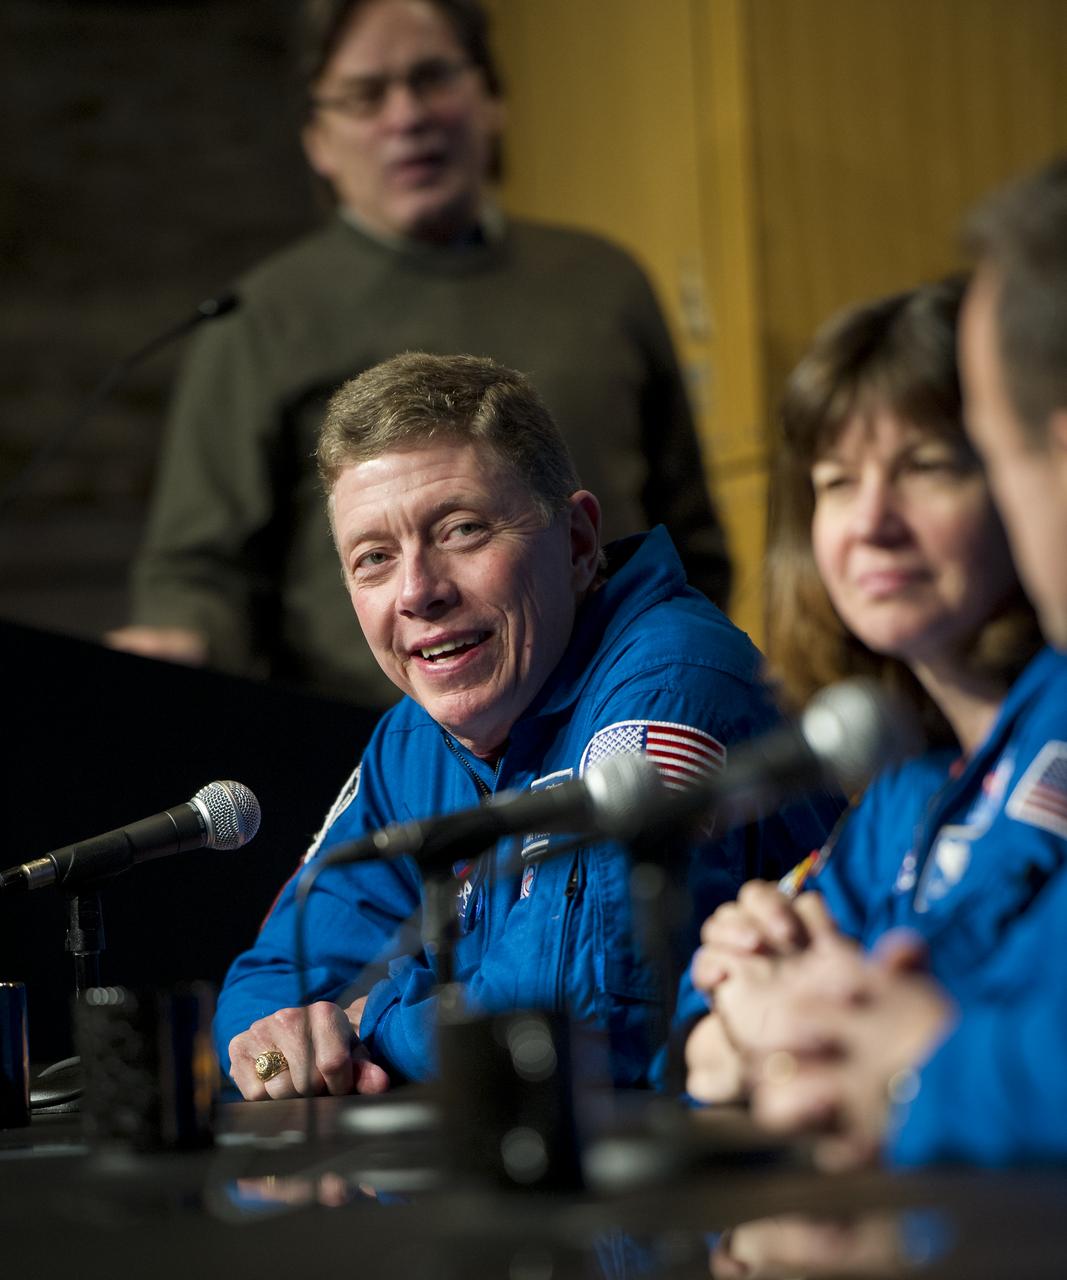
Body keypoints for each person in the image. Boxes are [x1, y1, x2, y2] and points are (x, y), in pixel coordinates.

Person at [213, 352, 836, 1100]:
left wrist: (364, 1024)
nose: (417, 592)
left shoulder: (670, 683)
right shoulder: (413, 738)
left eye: (462, 531)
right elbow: (277, 979)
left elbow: (573, 1016)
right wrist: (279, 1050)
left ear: (576, 544)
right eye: (373, 559)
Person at [107, 0, 730, 706]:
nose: (407, 117)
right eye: (366, 95)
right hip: (366, 746)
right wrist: (179, 642)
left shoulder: (603, 283)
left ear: (491, 99)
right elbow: (200, 574)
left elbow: (690, 541)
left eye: (432, 78)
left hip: (619, 724)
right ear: (317, 138)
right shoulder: (256, 321)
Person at [725, 157, 1067, 1169]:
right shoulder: (898, 788)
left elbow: (960, 993)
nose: (870, 523)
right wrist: (741, 1015)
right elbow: (715, 1029)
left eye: (927, 465)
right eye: (834, 482)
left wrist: (884, 1056)